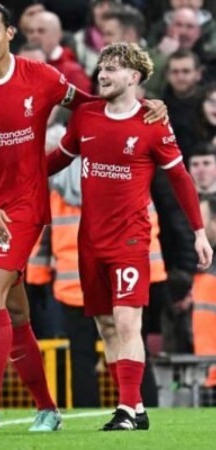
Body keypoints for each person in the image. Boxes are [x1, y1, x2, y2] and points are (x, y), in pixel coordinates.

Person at [0, 1, 165, 433]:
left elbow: (92, 104)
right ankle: (47, 408)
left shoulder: (40, 78)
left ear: (9, 34)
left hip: (23, 206)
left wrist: (144, 105)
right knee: (15, 311)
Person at [47, 42, 212, 430]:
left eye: (114, 68)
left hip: (131, 240)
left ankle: (125, 409)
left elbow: (181, 179)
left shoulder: (153, 122)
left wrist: (199, 233)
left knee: (126, 322)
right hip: (90, 241)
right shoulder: (86, 116)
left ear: (134, 77)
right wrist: (18, 177)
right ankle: (135, 408)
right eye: (102, 66)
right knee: (106, 326)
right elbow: (59, 159)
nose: (103, 73)